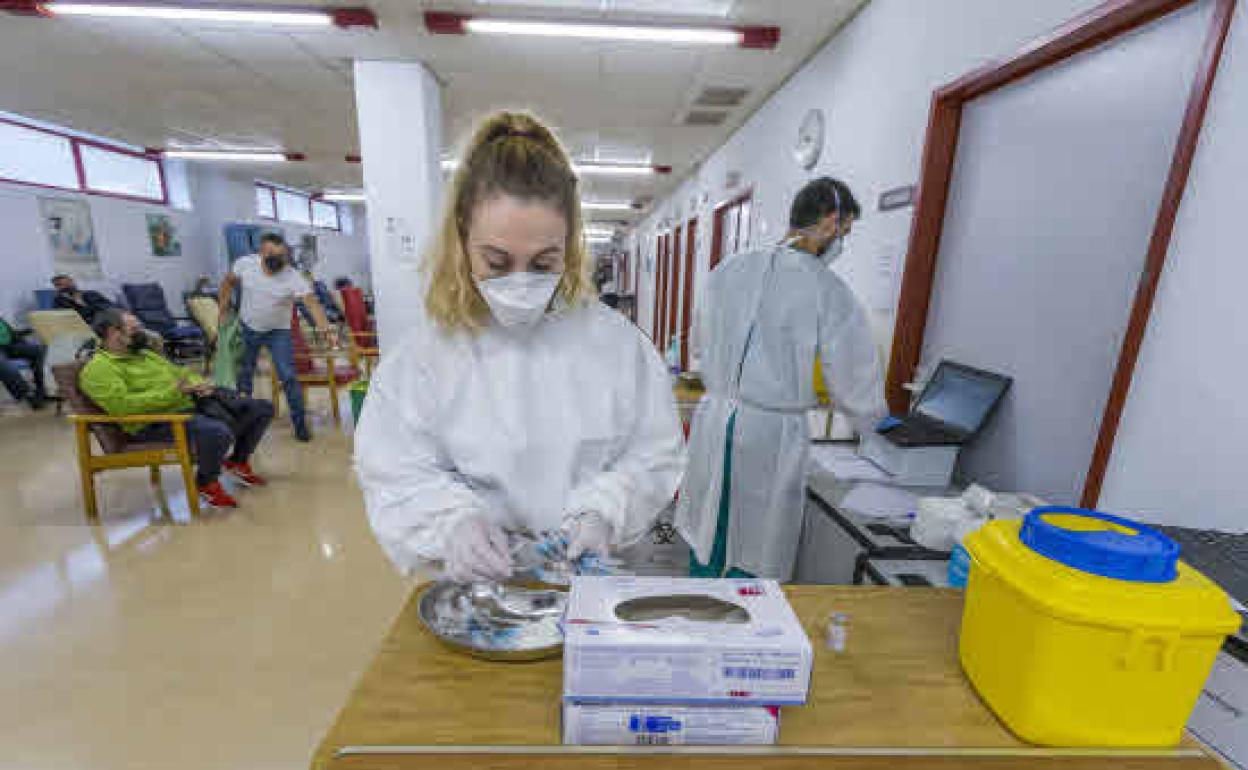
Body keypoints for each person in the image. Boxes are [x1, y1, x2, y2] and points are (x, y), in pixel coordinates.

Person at [355, 111, 685, 583]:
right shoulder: (426, 357)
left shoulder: (615, 345)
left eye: (544, 261)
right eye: (496, 261)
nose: (521, 281)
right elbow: (394, 467)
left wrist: (605, 510)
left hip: (592, 575)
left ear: (569, 247)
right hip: (480, 584)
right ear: (461, 238)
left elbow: (654, 453)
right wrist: (454, 523)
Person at [676, 177, 887, 580]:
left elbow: (699, 347)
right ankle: (749, 625)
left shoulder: (728, 269)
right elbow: (855, 382)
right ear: (829, 223)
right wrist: (878, 431)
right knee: (758, 538)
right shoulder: (828, 289)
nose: (841, 243)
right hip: (769, 433)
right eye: (845, 232)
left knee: (710, 526)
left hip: (715, 418)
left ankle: (701, 614)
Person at [79, 310, 274, 509]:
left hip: (187, 406)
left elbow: (181, 373)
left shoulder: (145, 354)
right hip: (151, 424)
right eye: (135, 329)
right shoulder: (98, 369)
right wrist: (175, 393)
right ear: (113, 332)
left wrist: (198, 385)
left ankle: (238, 461)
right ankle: (206, 482)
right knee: (217, 431)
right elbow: (123, 406)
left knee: (260, 409)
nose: (142, 332)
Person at [217, 234, 332, 442]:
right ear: (261, 252)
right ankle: (245, 423)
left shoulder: (293, 276)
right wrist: (223, 308)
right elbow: (228, 282)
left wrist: (323, 326)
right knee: (245, 375)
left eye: (281, 255)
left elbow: (311, 302)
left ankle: (300, 426)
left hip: (278, 331)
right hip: (248, 327)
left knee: (288, 376)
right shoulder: (245, 264)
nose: (277, 259)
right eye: (271, 254)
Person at [0, 316, 46, 409]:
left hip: (10, 346)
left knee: (38, 350)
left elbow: (11, 333)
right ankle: (27, 394)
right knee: (3, 365)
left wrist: (27, 331)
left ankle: (40, 391)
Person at [52, 274, 116, 326]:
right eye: (60, 285)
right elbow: (69, 317)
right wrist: (78, 303)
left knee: (112, 317)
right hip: (86, 323)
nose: (68, 286)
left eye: (69, 283)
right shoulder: (60, 302)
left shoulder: (91, 294)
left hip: (105, 317)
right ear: (57, 287)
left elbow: (108, 304)